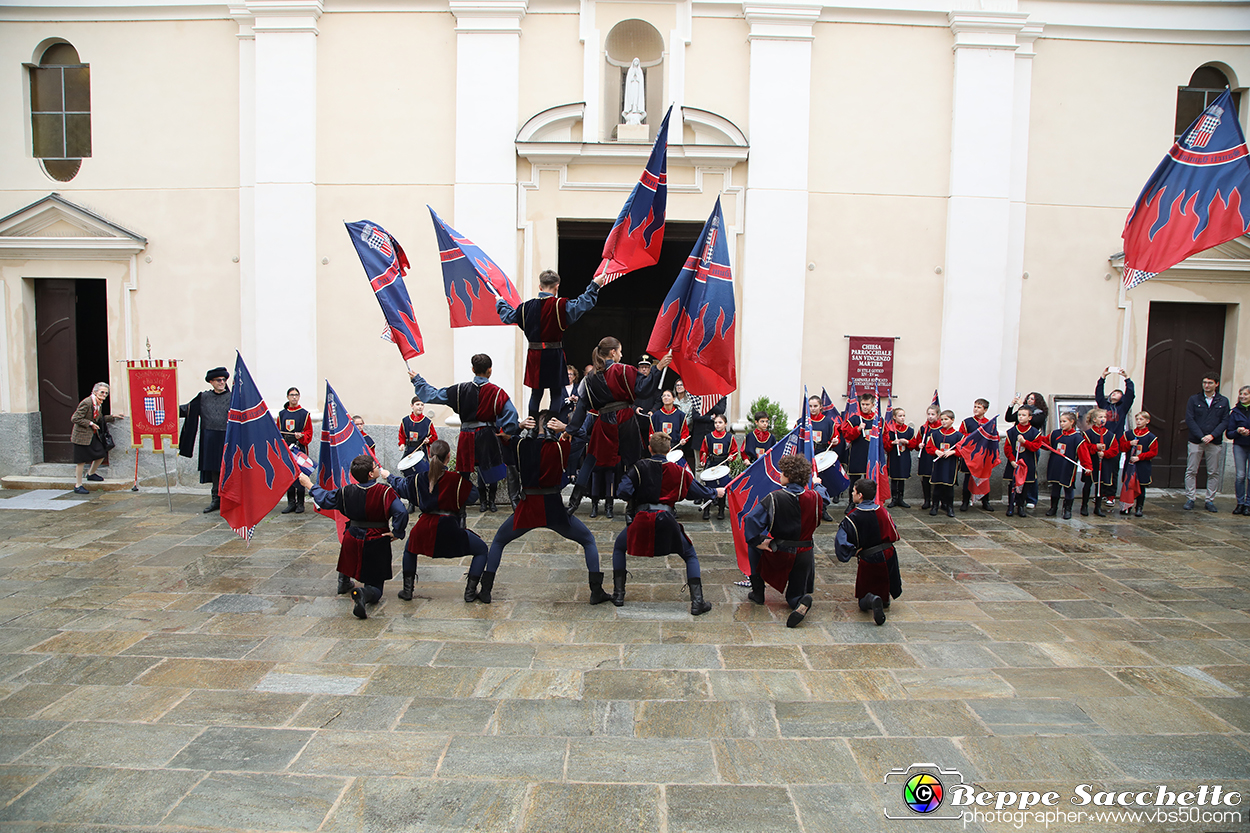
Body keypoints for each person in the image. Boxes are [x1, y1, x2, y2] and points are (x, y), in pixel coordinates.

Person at [486, 412, 612, 605]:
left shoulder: (521, 445)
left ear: (535, 427)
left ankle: (485, 590)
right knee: (588, 541)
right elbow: (589, 441)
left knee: (499, 541)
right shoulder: (561, 447)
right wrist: (567, 429)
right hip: (553, 508)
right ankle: (596, 591)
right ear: (555, 427)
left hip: (528, 507)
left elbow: (498, 436)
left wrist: (519, 427)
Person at [609, 432, 717, 613]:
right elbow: (698, 492)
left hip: (641, 518)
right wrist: (715, 493)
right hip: (667, 519)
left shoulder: (638, 467)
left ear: (649, 449)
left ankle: (619, 595)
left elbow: (622, 492)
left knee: (619, 547)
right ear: (669, 451)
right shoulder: (680, 471)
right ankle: (697, 602)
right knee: (690, 555)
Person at [565, 337, 670, 518]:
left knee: (590, 462)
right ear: (613, 352)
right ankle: (633, 508)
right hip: (626, 419)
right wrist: (658, 368)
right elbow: (643, 389)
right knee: (634, 464)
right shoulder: (625, 370)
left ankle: (572, 505)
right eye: (620, 351)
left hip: (604, 421)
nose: (621, 355)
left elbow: (582, 407)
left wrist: (570, 430)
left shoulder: (589, 378)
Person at [409, 353, 519, 514]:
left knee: (463, 477)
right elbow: (512, 417)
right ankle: (489, 503)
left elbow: (433, 395)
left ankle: (460, 512)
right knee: (491, 471)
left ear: (473, 369)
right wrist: (507, 432)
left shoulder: (459, 390)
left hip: (466, 436)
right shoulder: (498, 392)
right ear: (490, 371)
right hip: (488, 437)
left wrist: (418, 379)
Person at [301, 454, 407, 620]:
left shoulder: (345, 492)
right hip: (376, 540)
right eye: (375, 467)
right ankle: (364, 593)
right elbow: (401, 512)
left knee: (351, 559)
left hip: (352, 537)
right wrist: (397, 532)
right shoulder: (385, 492)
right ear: (370, 475)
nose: (377, 468)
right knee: (376, 588)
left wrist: (309, 484)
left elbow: (325, 499)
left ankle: (344, 583)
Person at [385, 439, 487, 603]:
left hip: (425, 526)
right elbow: (472, 496)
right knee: (482, 550)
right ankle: (469, 592)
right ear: (448, 458)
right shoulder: (456, 480)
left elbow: (401, 486)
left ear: (429, 455)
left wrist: (388, 476)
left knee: (409, 550)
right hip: (451, 527)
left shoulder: (418, 479)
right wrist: (464, 477)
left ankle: (407, 591)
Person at [496, 269, 605, 415]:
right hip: (554, 354)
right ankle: (550, 428)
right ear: (557, 286)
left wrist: (500, 303)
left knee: (536, 394)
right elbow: (582, 304)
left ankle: (532, 428)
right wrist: (594, 286)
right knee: (556, 393)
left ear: (540, 287)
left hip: (534, 355)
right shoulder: (561, 306)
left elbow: (508, 316)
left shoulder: (525, 308)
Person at [742, 453, 829, 628]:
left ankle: (758, 592)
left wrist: (758, 541)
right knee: (794, 597)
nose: (780, 475)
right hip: (804, 555)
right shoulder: (815, 497)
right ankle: (799, 600)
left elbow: (751, 520)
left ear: (788, 477)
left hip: (779, 552)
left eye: (782, 472)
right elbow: (823, 496)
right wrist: (818, 484)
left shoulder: (774, 498)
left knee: (754, 545)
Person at [835, 479, 901, 626]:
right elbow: (894, 532)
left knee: (863, 601)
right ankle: (883, 599)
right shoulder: (883, 511)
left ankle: (871, 600)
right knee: (885, 590)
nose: (852, 493)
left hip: (869, 559)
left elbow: (842, 542)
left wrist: (853, 552)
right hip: (889, 555)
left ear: (860, 495)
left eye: (853, 491)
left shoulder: (852, 517)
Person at [179, 366, 232, 513]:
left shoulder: (233, 397)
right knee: (214, 469)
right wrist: (167, 409)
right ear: (211, 382)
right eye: (219, 380)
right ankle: (216, 499)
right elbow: (186, 409)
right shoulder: (203, 397)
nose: (222, 382)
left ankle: (229, 499)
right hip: (210, 437)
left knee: (228, 468)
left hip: (227, 437)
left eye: (224, 380)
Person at [1185, 373, 1231, 511]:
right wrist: (1201, 436)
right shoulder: (1194, 399)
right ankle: (1190, 498)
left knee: (1213, 472)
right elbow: (1190, 419)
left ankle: (1210, 500)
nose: (1206, 385)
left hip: (1214, 441)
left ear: (1216, 384)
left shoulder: (1223, 401)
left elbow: (1225, 421)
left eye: (1210, 383)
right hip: (1196, 440)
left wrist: (1212, 435)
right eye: (1204, 382)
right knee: (1191, 470)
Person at [71, 382, 121, 494]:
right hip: (81, 436)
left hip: (91, 435)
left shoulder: (98, 403)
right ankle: (78, 485)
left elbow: (98, 418)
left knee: (101, 453)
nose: (104, 395)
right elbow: (75, 418)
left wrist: (112, 417)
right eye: (102, 392)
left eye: (106, 393)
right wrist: (89, 423)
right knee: (81, 461)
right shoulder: (87, 402)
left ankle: (91, 474)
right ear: (95, 392)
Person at [1005, 392, 1048, 507]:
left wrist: (1022, 409)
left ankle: (1031, 499)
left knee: (1030, 474)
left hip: (1030, 444)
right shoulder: (1021, 413)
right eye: (1028, 398)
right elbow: (1009, 418)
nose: (1029, 400)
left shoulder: (1039, 413)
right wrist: (1011, 406)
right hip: (1017, 445)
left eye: (1032, 399)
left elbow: (1034, 422)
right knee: (1015, 475)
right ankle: (1015, 499)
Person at [1044, 411, 1088, 520]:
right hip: (1055, 464)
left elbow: (1084, 454)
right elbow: (1045, 443)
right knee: (1055, 487)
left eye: (1064, 421)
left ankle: (1067, 510)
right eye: (1061, 421)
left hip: (1068, 466)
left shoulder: (1077, 438)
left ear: (1072, 422)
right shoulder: (1055, 434)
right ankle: (1053, 507)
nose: (1062, 424)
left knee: (1068, 487)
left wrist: (1088, 467)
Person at [698, 413, 741, 520]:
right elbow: (704, 452)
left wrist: (731, 457)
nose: (717, 425)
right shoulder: (708, 437)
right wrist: (703, 461)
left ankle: (721, 510)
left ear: (725, 424)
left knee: (722, 487)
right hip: (711, 464)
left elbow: (734, 451)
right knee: (709, 487)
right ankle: (706, 510)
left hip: (723, 465)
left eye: (720, 422)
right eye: (716, 422)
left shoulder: (729, 438)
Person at [278, 387, 313, 514]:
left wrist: (302, 435)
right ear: (287, 397)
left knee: (301, 474)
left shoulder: (305, 414)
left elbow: (309, 432)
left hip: (299, 448)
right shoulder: (282, 414)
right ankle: (291, 503)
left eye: (296, 395)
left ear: (299, 397)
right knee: (289, 474)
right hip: (287, 448)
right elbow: (278, 432)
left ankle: (300, 503)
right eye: (292, 395)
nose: (294, 397)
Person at [840, 392, 880, 503]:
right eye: (863, 404)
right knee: (854, 480)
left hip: (871, 454)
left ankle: (871, 502)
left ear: (872, 405)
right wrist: (857, 429)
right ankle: (852, 503)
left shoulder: (877, 420)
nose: (865, 407)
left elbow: (883, 437)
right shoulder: (855, 419)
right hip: (858, 453)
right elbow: (846, 435)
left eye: (867, 404)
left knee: (871, 480)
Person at [1080, 408, 1117, 517]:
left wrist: (1105, 453)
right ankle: (1084, 506)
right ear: (1094, 419)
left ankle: (1098, 507)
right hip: (1091, 462)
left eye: (1105, 417)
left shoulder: (1110, 435)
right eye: (1101, 417)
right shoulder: (1088, 434)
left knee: (1100, 486)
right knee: (1088, 484)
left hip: (1104, 463)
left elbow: (1115, 449)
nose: (1103, 419)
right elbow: (1084, 447)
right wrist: (1095, 447)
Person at [924, 410, 961, 517]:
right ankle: (934, 506)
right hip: (939, 464)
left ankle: (950, 507)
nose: (943, 422)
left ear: (952, 420)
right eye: (942, 419)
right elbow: (929, 447)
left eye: (946, 419)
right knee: (937, 486)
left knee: (949, 487)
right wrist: (936, 451)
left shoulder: (958, 436)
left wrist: (953, 452)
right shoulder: (935, 434)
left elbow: (964, 449)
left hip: (950, 464)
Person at [959, 399, 994, 511]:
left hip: (982, 456)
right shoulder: (967, 422)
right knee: (968, 478)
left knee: (983, 479)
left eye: (979, 407)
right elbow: (961, 436)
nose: (976, 409)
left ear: (985, 410)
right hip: (970, 456)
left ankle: (985, 501)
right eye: (975, 406)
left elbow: (993, 438)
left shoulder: (989, 423)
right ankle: (965, 501)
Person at [1125, 411, 1159, 517]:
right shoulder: (1129, 434)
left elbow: (1153, 452)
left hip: (1142, 465)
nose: (1139, 422)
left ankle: (1139, 507)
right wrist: (1129, 443)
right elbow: (1121, 447)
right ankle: (1127, 506)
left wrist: (1139, 457)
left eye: (1141, 419)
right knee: (1129, 485)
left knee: (1141, 487)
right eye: (1137, 419)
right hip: (1130, 464)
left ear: (1147, 421)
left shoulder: (1151, 437)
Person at [885, 407, 918, 508]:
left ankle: (901, 499)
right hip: (894, 457)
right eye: (900, 416)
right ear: (894, 417)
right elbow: (886, 444)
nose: (902, 418)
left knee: (902, 478)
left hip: (904, 456)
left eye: (903, 416)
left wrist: (907, 442)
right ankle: (894, 499)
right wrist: (892, 443)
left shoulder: (909, 430)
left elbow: (914, 444)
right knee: (894, 478)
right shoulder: (890, 430)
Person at [398, 397, 436, 476]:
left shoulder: (427, 422)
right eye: (417, 404)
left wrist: (428, 440)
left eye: (422, 405)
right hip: (409, 450)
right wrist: (402, 444)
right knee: (408, 473)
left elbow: (434, 436)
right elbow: (402, 434)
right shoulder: (405, 420)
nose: (420, 407)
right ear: (412, 406)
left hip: (421, 450)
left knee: (422, 473)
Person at [1095, 368, 1135, 441]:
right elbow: (1099, 394)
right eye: (1113, 392)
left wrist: (1127, 378)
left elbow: (1130, 394)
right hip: (1103, 437)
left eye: (1118, 393)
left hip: (1117, 439)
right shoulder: (1104, 405)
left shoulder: (1123, 407)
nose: (1114, 393)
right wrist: (1103, 378)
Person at [1229, 387, 1250, 515]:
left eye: (1246, 394)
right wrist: (1238, 431)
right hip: (1240, 445)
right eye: (1241, 394)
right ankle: (1240, 503)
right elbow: (1229, 433)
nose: (1243, 396)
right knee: (1240, 476)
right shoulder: (1235, 412)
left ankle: (1248, 504)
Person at [916, 405, 942, 510]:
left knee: (937, 479)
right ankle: (927, 500)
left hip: (937, 456)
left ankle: (938, 501)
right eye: (929, 414)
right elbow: (918, 441)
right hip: (926, 456)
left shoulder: (941, 428)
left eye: (933, 414)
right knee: (925, 478)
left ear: (938, 415)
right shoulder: (924, 428)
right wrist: (919, 445)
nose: (930, 417)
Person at [672, 380, 701, 469]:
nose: (679, 387)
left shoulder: (690, 401)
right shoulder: (673, 400)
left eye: (681, 385)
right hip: (673, 432)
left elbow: (690, 417)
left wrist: (682, 426)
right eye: (677, 385)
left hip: (687, 432)